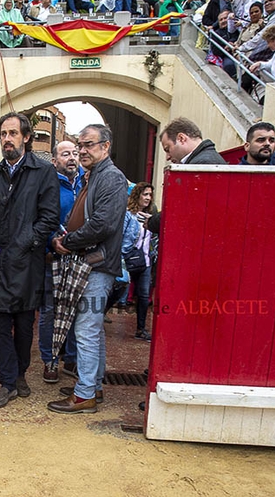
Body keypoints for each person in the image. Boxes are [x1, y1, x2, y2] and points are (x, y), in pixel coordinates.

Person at [0, 113, 59, 408]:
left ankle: (20, 373)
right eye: (3, 134)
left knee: (23, 325)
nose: (7, 139)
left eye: (13, 133)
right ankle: (7, 382)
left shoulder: (44, 172)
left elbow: (49, 217)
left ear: (25, 137)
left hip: (26, 263)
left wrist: (24, 246)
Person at [47, 123, 126, 414]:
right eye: (80, 145)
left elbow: (102, 224)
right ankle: (92, 386)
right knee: (91, 330)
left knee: (86, 330)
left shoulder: (111, 178)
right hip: (90, 262)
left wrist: (68, 241)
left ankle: (84, 396)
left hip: (96, 263)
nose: (82, 150)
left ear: (105, 146)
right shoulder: (94, 177)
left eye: (89, 144)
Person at [39, 140, 82, 383]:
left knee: (77, 310)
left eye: (75, 153)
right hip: (54, 258)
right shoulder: (49, 186)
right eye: (65, 154)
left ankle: (72, 359)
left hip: (80, 259)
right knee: (50, 312)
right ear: (55, 161)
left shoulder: (87, 184)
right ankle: (50, 360)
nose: (72, 158)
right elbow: (42, 218)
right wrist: (51, 243)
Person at [124, 183, 154, 340]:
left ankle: (140, 329)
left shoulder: (152, 218)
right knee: (117, 291)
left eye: (150, 195)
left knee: (143, 295)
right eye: (145, 194)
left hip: (145, 261)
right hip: (129, 258)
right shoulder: (129, 215)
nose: (148, 198)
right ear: (137, 196)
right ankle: (100, 317)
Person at [159, 116, 226, 164]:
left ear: (181, 138)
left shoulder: (202, 164)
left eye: (167, 149)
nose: (167, 157)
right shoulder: (206, 160)